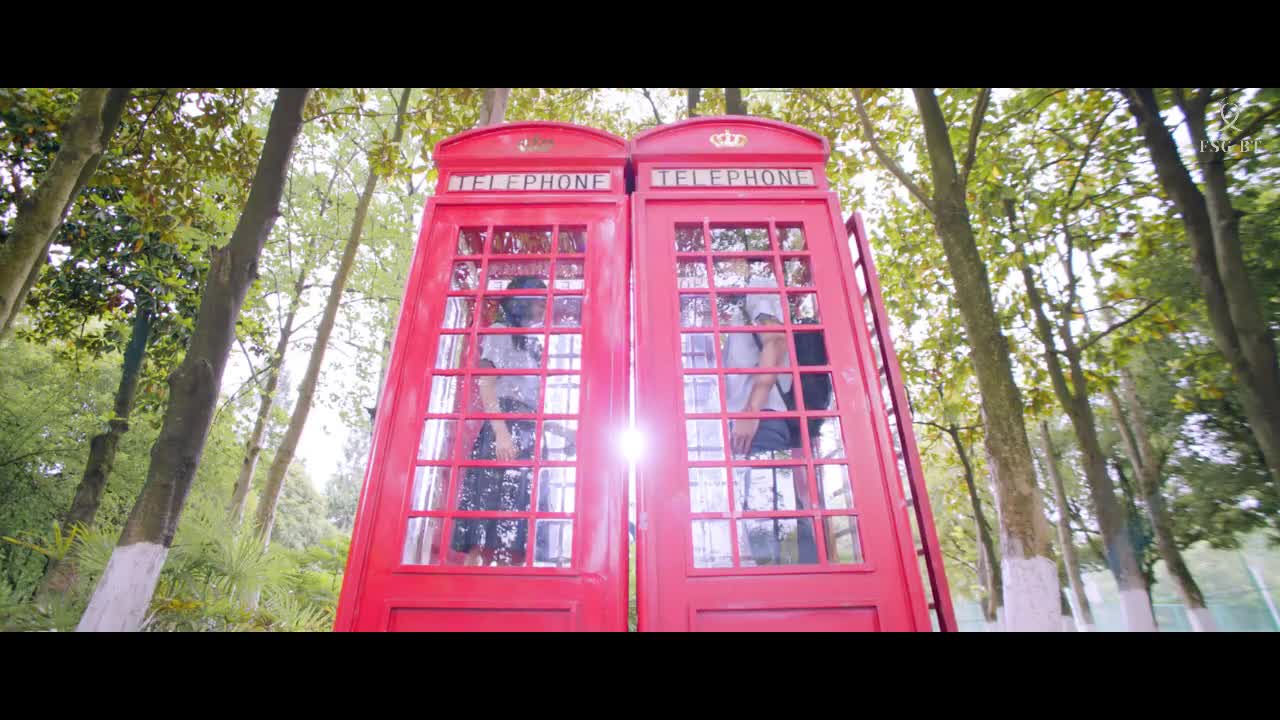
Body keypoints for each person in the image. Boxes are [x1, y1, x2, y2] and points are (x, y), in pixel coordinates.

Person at [720, 260, 818, 565]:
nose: (726, 265)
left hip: (758, 424)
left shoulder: (758, 287)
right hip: (749, 426)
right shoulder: (740, 306)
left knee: (768, 526)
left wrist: (751, 410)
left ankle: (800, 579)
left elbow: (775, 342)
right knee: (756, 523)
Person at [452, 276, 546, 566]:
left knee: (516, 524)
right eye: (540, 302)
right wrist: (502, 433)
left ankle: (509, 588)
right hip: (503, 427)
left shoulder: (533, 344)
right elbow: (487, 384)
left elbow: (533, 400)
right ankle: (468, 587)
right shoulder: (500, 332)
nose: (544, 309)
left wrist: (561, 430)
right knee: (484, 519)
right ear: (523, 301)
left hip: (529, 430)